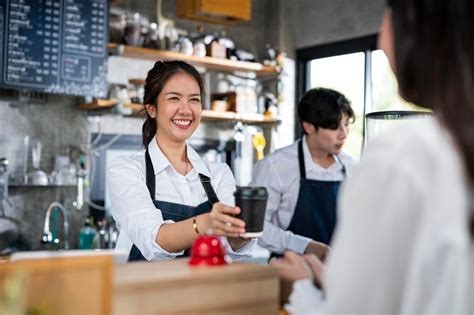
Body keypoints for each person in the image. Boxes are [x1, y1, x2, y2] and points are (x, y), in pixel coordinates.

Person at [270, 0, 473, 313]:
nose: (381, 35)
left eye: (387, 19)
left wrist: (303, 286)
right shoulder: (277, 165)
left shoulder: (402, 156)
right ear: (308, 127)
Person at [108, 60, 255, 262]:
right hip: (143, 291)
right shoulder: (127, 170)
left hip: (205, 292)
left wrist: (243, 229)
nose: (186, 110)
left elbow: (231, 248)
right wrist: (204, 224)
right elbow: (154, 241)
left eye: (194, 100)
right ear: (151, 108)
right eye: (174, 98)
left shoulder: (218, 173)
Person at [250, 88, 356, 258]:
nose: (343, 134)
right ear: (309, 127)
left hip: (341, 270)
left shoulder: (351, 165)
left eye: (347, 124)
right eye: (335, 127)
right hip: (291, 269)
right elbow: (256, 226)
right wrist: (305, 246)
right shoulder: (275, 166)